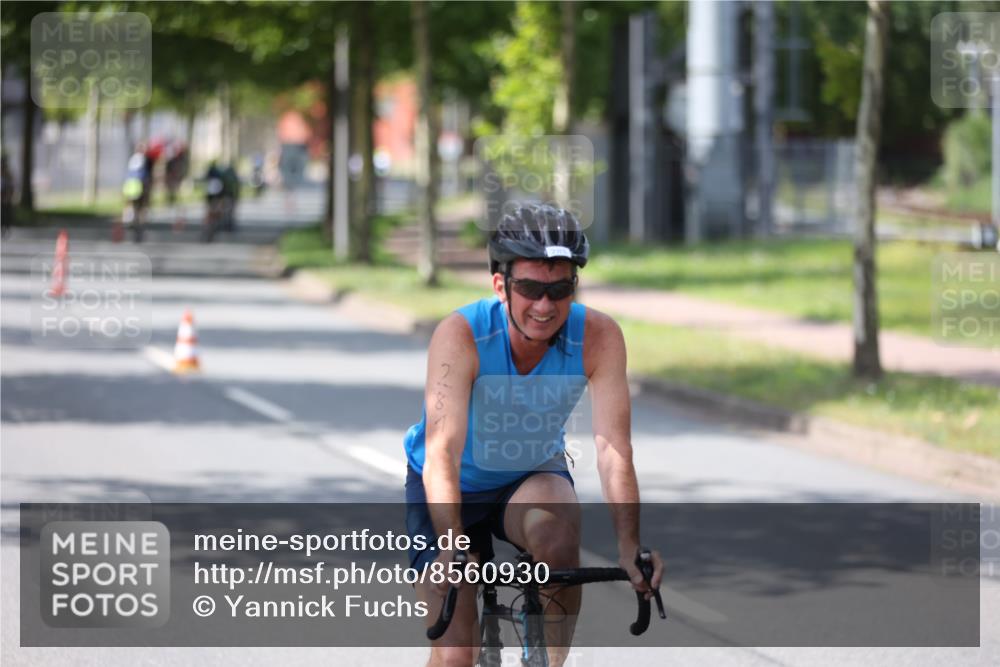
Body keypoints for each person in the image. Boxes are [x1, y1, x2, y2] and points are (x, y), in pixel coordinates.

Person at [404, 204, 664, 667]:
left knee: (559, 541)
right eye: (529, 289)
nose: (545, 306)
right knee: (455, 655)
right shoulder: (461, 335)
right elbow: (442, 451)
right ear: (499, 285)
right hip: (449, 485)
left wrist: (630, 547)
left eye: (560, 290)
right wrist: (452, 544)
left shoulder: (599, 336)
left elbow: (613, 450)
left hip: (529, 476)